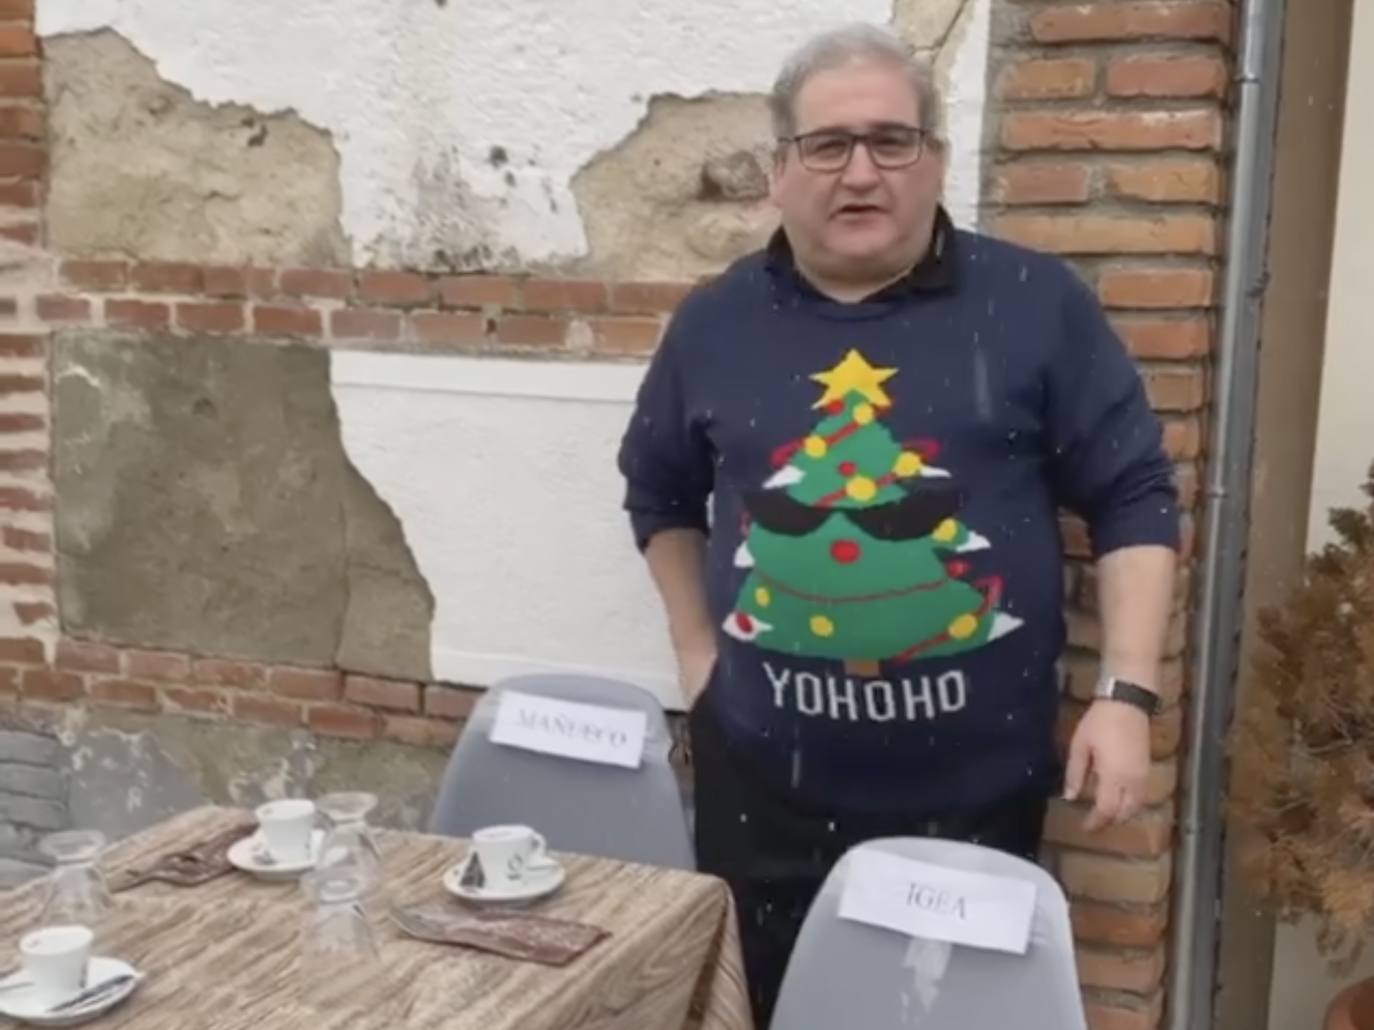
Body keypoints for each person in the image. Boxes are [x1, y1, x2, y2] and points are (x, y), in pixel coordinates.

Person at [616, 22, 1178, 1026]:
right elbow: (658, 493)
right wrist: (696, 652)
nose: (861, 171)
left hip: (974, 791)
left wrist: (1127, 692)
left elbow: (1134, 494)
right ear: (781, 172)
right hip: (762, 793)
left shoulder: (1034, 304)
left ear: (936, 160)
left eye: (892, 140)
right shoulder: (714, 322)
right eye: (828, 145)